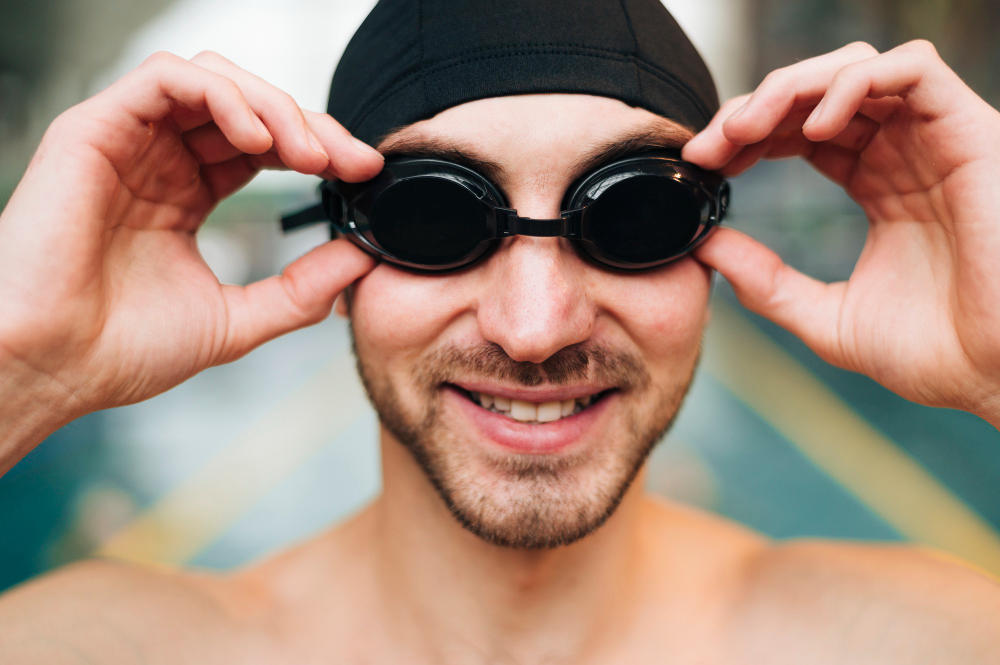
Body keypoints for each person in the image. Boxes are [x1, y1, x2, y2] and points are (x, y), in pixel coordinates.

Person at [1, 0, 999, 661]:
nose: (534, 327)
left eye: (631, 218)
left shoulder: (911, 638)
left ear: (704, 243)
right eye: (434, 220)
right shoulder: (109, 646)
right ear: (343, 253)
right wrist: (20, 371)